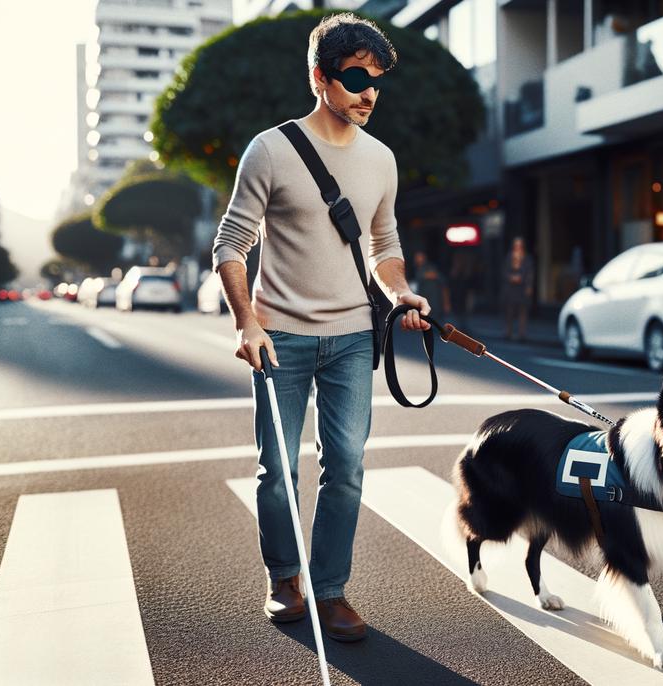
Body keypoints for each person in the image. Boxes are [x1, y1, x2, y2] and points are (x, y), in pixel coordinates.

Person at [211, 13, 430, 643]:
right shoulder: (270, 149)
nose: (368, 93)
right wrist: (246, 322)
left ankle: (331, 591)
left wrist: (401, 293)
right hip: (278, 339)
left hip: (355, 338)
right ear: (320, 76)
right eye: (356, 77)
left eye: (377, 82)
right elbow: (231, 243)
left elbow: (383, 244)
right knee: (277, 471)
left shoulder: (382, 159)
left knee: (347, 468)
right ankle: (286, 580)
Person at [502, 236, 535, 341]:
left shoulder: (527, 258)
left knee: (522, 311)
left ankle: (522, 334)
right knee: (510, 311)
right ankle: (508, 332)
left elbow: (530, 273)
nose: (518, 247)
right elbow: (504, 272)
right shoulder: (509, 257)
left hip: (522, 288)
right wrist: (511, 277)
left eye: (520, 245)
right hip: (511, 288)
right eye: (516, 245)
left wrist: (529, 286)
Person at [412, 250, 450, 319]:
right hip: (424, 304)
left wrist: (446, 303)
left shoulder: (430, 267)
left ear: (424, 257)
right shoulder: (416, 269)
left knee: (437, 323)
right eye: (416, 257)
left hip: (435, 304)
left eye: (419, 257)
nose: (417, 259)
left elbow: (443, 284)